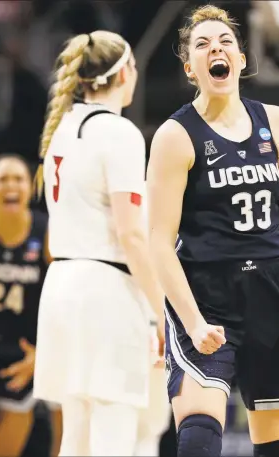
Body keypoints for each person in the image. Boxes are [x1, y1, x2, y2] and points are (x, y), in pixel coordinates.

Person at [147, 5, 279, 457]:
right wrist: (193, 320)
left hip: (274, 295)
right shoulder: (174, 135)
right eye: (201, 44)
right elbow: (157, 242)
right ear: (189, 68)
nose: (215, 49)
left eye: (224, 42)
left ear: (241, 58)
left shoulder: (277, 122)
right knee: (199, 442)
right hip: (207, 295)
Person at [32, 31, 166, 456]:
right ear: (124, 72)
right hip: (104, 292)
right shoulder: (119, 132)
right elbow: (131, 235)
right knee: (114, 433)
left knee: (77, 434)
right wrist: (165, 312)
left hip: (62, 287)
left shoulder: (62, 126)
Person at [0, 154, 61, 457]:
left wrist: (43, 353)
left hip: (22, 355)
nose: (11, 185)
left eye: (18, 179)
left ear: (30, 188)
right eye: (3, 179)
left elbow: (62, 299)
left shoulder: (47, 233)